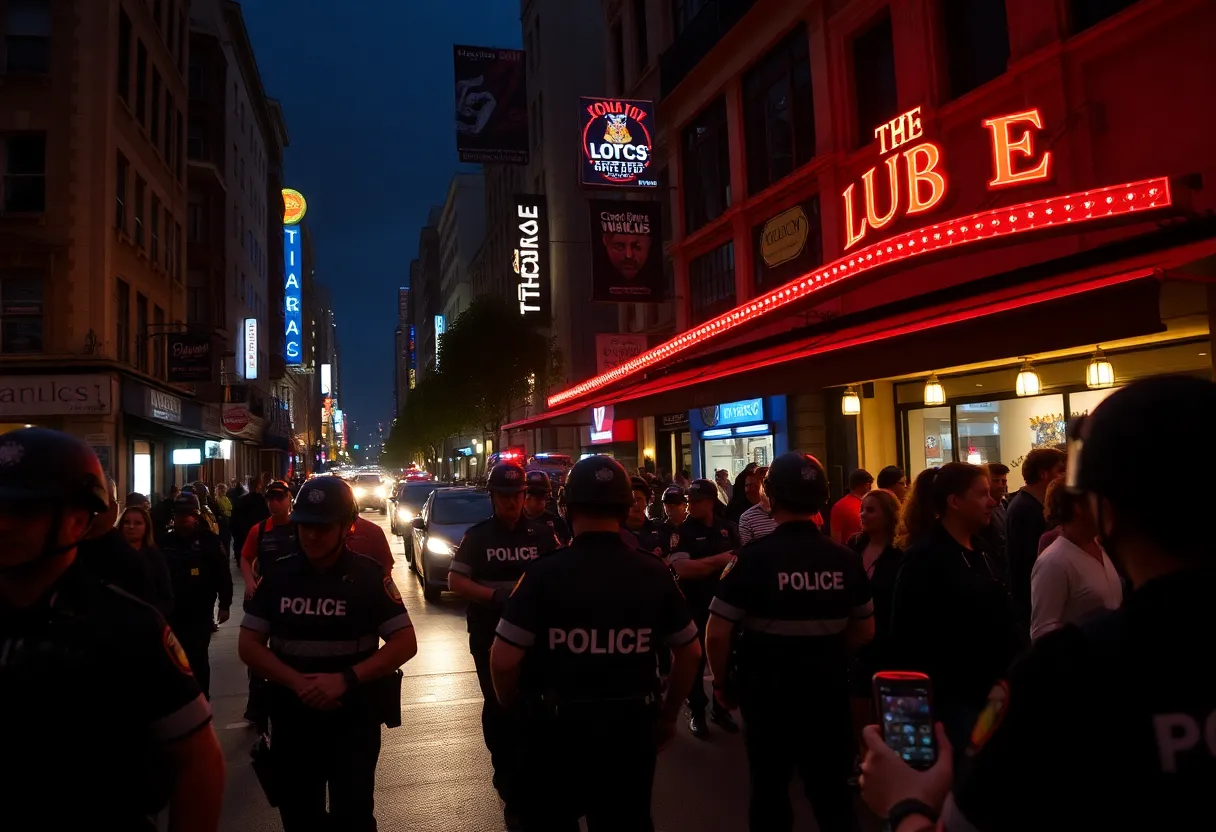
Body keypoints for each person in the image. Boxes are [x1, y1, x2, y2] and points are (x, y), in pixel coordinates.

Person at [860, 376, 1216, 832]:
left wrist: (906, 804)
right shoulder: (942, 562)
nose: (993, 501)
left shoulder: (1063, 676)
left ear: (1103, 510)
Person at [0, 428, 224, 830]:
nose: (4, 524)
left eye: (25, 511)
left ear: (78, 521)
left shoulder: (126, 625)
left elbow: (198, 762)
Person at [490, 455, 702, 831]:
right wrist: (669, 715)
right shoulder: (653, 572)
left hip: (556, 732)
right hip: (631, 730)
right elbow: (690, 651)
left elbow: (503, 660)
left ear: (568, 507)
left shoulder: (543, 574)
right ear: (624, 507)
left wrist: (517, 708)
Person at [705, 452, 873, 832]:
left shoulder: (751, 560)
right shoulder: (846, 559)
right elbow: (865, 630)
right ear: (821, 500)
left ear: (771, 498)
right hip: (828, 693)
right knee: (832, 797)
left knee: (769, 794)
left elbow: (717, 632)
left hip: (767, 696)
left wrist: (721, 682)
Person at [239, 476, 417, 832]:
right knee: (299, 816)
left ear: (346, 526)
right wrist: (297, 683)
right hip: (292, 720)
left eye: (322, 527)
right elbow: (248, 644)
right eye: (305, 526)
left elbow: (404, 642)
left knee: (353, 815)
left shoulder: (367, 576)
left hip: (352, 720)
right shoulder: (278, 575)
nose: (311, 536)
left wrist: (345, 679)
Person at [447, 462, 563, 829]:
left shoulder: (542, 535)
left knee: (539, 708)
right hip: (490, 637)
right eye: (505, 496)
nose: (513, 502)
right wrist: (495, 596)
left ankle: (534, 781)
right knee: (500, 707)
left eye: (518, 495)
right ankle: (508, 781)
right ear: (493, 498)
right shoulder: (478, 537)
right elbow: (455, 580)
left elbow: (562, 575)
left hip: (537, 641)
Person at [887, 463, 1024, 761]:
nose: (993, 500)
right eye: (982, 494)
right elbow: (905, 639)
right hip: (951, 705)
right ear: (954, 501)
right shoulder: (924, 559)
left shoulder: (982, 549)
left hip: (992, 696)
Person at [668, 477, 740, 738]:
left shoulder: (728, 528)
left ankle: (720, 709)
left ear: (710, 502)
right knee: (695, 662)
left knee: (725, 659)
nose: (689, 506)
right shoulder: (682, 532)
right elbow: (684, 569)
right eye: (688, 501)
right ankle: (697, 711)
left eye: (695, 501)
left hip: (724, 605)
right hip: (695, 604)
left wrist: (707, 564)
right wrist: (721, 560)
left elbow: (739, 562)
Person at [1029, 475, 1122, 641]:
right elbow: (1042, 632)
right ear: (1078, 506)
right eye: (1097, 501)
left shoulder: (1100, 547)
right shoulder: (1053, 562)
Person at [160, 492, 232, 699]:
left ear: (197, 515)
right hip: (171, 612)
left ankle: (201, 698)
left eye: (189, 514)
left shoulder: (208, 541)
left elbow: (222, 573)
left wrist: (225, 603)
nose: (184, 518)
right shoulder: (166, 541)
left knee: (198, 658)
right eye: (180, 514)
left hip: (199, 612)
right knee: (173, 660)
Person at [1005, 448, 1067, 623]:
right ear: (1043, 473)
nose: (1065, 476)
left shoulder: (1033, 504)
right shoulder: (1024, 508)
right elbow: (1029, 562)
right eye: (1060, 470)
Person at [118, 504, 175, 618]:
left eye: (138, 523)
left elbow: (164, 592)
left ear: (146, 527)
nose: (131, 527)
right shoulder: (112, 552)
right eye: (126, 522)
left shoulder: (154, 556)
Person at [622, 475, 670, 557]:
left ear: (647, 501)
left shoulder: (660, 530)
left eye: (639, 499)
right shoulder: (617, 533)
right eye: (632, 500)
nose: (636, 505)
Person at [523, 470, 571, 545]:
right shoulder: (513, 522)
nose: (540, 500)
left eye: (543, 496)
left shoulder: (557, 521)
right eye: (536, 495)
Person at [830, 468, 873, 544]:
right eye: (869, 483)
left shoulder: (839, 505)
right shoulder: (841, 506)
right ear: (866, 484)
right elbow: (836, 539)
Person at [737, 466, 776, 545]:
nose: (749, 489)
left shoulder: (790, 513)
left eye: (753, 485)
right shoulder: (747, 517)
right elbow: (746, 552)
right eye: (747, 485)